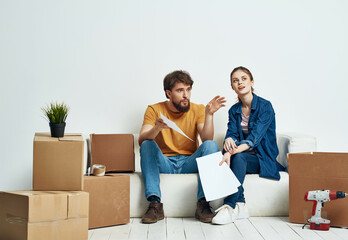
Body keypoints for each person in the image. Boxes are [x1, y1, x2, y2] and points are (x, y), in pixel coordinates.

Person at [139, 70, 226, 224]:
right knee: (147, 144)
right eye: (180, 90)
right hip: (165, 163)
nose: (186, 95)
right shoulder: (154, 109)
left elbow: (207, 139)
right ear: (168, 93)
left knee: (211, 145)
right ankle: (155, 204)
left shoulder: (197, 109)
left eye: (188, 89)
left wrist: (209, 115)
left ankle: (203, 204)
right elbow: (142, 139)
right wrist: (156, 129)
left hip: (189, 162)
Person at [212, 66, 285, 225]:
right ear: (232, 86)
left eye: (244, 79)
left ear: (252, 82)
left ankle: (230, 206)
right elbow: (232, 132)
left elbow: (254, 139)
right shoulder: (234, 110)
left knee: (236, 157)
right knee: (226, 155)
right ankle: (241, 204)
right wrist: (229, 139)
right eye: (235, 80)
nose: (240, 83)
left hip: (263, 158)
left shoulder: (265, 106)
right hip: (243, 157)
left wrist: (230, 152)